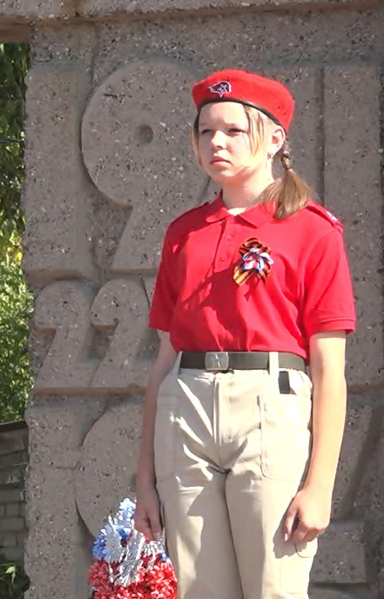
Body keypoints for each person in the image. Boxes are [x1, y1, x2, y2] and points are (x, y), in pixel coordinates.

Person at [133, 69, 356, 598]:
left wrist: (320, 484)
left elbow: (330, 371)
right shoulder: (183, 233)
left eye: (234, 131)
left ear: (275, 139)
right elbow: (164, 361)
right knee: (198, 590)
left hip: (269, 408)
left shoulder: (312, 230)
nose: (217, 143)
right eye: (206, 131)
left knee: (273, 588)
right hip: (184, 407)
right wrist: (143, 478)